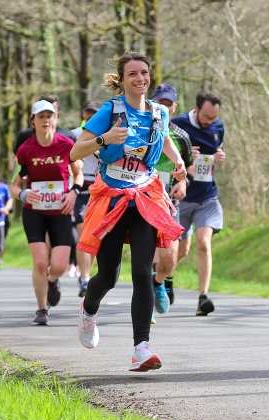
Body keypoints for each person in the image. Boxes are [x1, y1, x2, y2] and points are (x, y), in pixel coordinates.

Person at [71, 52, 186, 372]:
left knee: (141, 273)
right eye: (133, 74)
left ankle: (141, 347)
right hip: (111, 196)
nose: (140, 79)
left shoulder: (160, 112)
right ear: (121, 80)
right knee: (109, 275)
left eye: (145, 73)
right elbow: (75, 151)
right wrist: (104, 138)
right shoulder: (110, 111)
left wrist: (178, 165)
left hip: (145, 196)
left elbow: (163, 141)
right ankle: (88, 309)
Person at [11, 100, 84, 325]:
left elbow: (79, 174)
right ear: (33, 121)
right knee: (41, 262)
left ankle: (53, 281)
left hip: (61, 209)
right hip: (34, 211)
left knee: (60, 265)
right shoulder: (25, 150)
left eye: (49, 116)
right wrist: (23, 195)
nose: (45, 120)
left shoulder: (67, 144)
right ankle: (42, 309)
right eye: (40, 116)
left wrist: (73, 192)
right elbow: (13, 185)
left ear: (56, 119)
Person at [172, 90, 226, 316]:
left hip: (207, 195)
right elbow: (164, 160)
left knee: (204, 243)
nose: (209, 122)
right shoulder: (177, 125)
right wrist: (185, 159)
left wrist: (219, 158)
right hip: (181, 197)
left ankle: (203, 296)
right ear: (196, 109)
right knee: (180, 252)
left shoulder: (218, 128)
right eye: (206, 117)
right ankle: (163, 279)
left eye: (213, 117)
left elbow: (214, 154)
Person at [150, 84, 195, 311]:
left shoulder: (181, 136)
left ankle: (157, 283)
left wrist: (182, 182)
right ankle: (145, 304)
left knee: (170, 258)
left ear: (174, 107)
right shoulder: (140, 132)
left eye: (168, 104)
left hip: (169, 204)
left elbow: (186, 170)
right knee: (146, 253)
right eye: (159, 103)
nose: (163, 108)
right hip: (143, 201)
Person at [71, 100, 103, 297]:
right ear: (83, 114)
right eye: (87, 113)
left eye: (94, 114)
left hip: (101, 188)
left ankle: (87, 275)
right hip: (82, 188)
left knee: (94, 236)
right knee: (83, 231)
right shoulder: (75, 134)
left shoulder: (108, 133)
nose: (90, 117)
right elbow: (72, 156)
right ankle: (84, 278)